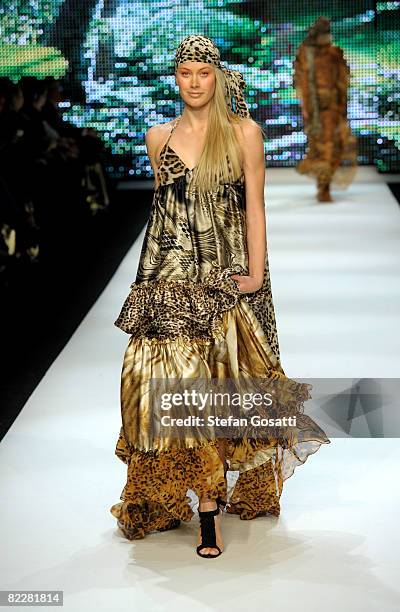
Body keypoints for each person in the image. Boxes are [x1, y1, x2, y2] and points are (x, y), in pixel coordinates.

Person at [110, 34, 330, 559]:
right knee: (164, 384)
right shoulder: (156, 137)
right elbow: (164, 217)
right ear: (175, 77)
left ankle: (209, 507)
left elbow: (254, 207)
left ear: (217, 76)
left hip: (225, 277)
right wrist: (148, 285)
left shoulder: (243, 134)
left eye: (202, 72)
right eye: (184, 72)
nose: (193, 82)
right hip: (167, 279)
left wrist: (256, 275)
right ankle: (198, 499)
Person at [293, 17, 358, 202]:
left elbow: (342, 80)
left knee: (331, 145)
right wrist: (306, 108)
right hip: (315, 110)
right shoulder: (306, 54)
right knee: (321, 147)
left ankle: (324, 186)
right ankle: (323, 186)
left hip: (332, 109)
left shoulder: (334, 53)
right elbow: (301, 81)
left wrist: (341, 106)